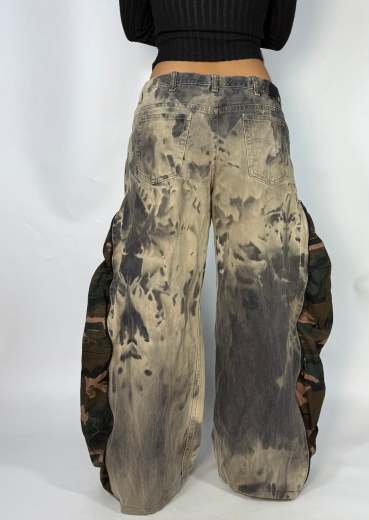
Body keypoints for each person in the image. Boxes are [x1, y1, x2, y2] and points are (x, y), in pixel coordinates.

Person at [80, 0, 334, 515]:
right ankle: (264, 469)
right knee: (263, 293)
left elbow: (137, 25)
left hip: (168, 106)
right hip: (253, 108)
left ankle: (144, 477)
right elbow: (276, 33)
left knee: (152, 300)